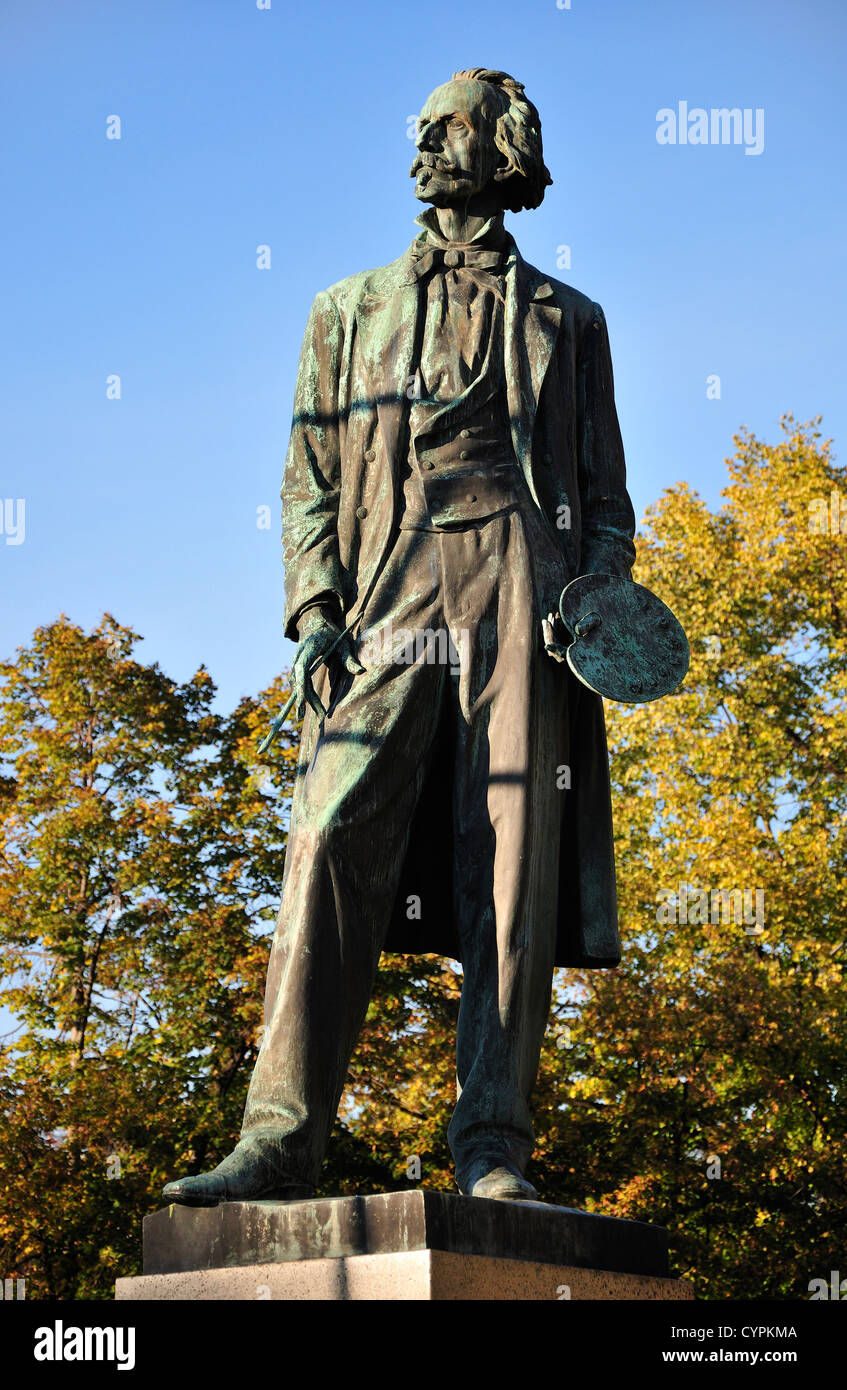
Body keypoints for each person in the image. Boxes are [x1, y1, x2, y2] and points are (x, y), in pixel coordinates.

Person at [164, 67, 635, 1208]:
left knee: (509, 870)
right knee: (326, 834)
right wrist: (315, 608)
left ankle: (492, 1144)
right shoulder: (344, 310)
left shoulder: (568, 321)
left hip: (522, 583)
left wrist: (598, 595)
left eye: (448, 124)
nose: (423, 140)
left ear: (501, 149)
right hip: (389, 588)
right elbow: (309, 479)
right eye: (420, 127)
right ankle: (279, 1137)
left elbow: (607, 499)